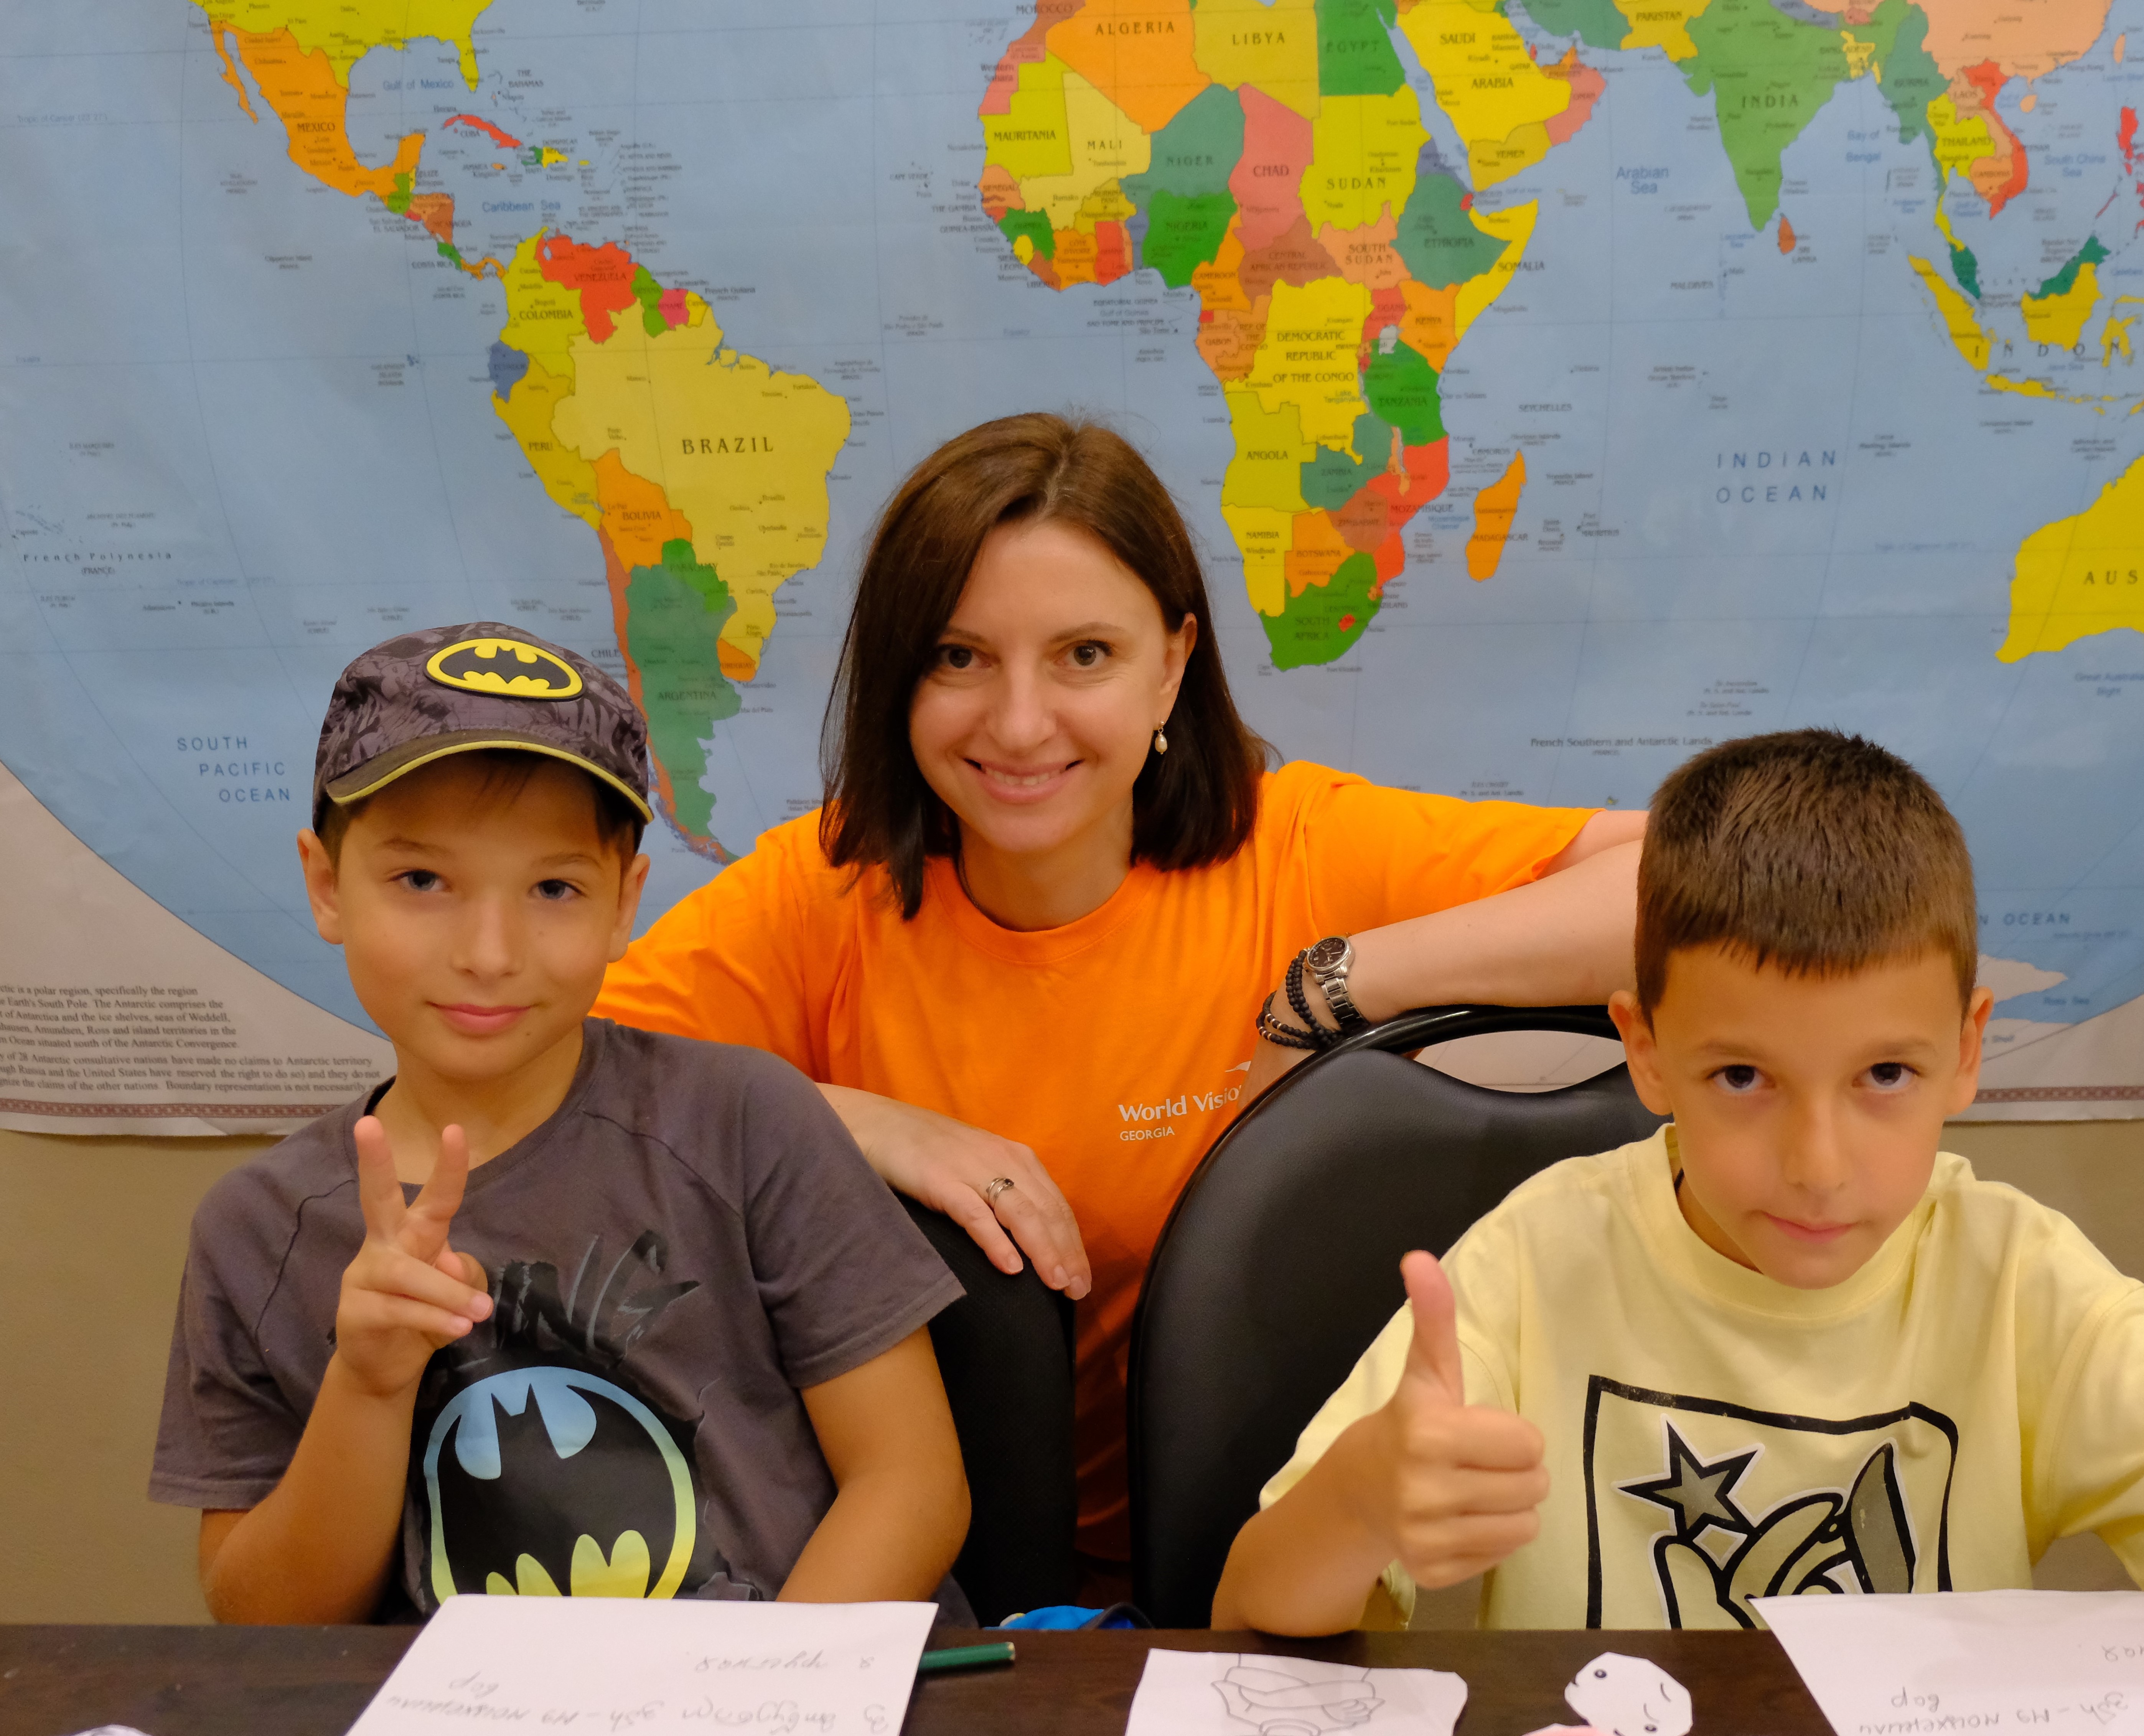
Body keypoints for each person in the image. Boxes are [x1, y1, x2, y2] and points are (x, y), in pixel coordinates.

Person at [594, 415, 1646, 1571]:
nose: (1019, 722)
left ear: (1173, 663)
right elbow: (564, 1080)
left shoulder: (1295, 848)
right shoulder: (828, 888)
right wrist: (856, 1121)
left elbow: (1689, 883)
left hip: (1280, 1564)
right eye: (958, 657)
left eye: (1083, 655)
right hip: (955, 1587)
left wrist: (1344, 982)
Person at [1215, 730, 2144, 1656]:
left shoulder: (2017, 1277)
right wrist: (1362, 1492)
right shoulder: (1540, 1257)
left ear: (1967, 1049)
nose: (1817, 1162)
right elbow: (1253, 1606)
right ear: (1645, 1050)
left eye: (1883, 1073)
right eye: (1743, 1075)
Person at [151, 624, 971, 1621]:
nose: (489, 952)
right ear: (327, 884)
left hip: (772, 1713)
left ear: (625, 902)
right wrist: (365, 1386)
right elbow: (266, 1621)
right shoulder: (256, 1229)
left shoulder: (747, 1120)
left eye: (553, 888)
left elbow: (914, 1483)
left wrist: (760, 1701)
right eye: (422, 881)